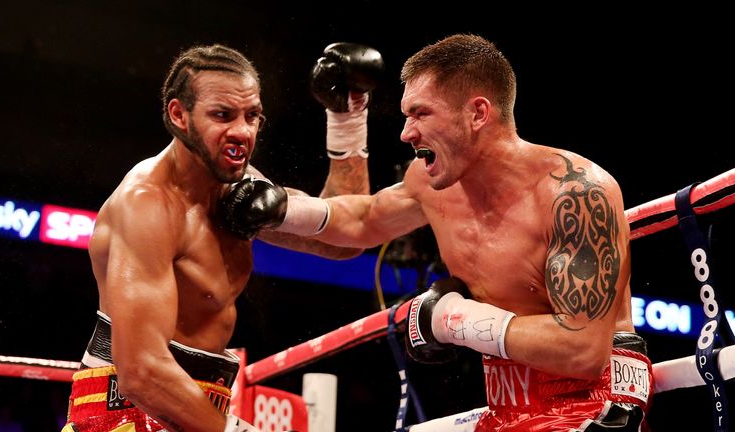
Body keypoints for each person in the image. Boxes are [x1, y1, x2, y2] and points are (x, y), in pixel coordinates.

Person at [223, 34, 654, 431]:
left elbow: (583, 352)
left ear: (478, 114)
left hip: (595, 401)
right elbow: (361, 220)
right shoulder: (429, 183)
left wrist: (453, 321)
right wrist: (281, 208)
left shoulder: (575, 194)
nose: (406, 132)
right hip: (505, 399)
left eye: (420, 114)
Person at [61, 42, 383, 432]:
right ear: (179, 115)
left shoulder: (240, 189)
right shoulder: (147, 205)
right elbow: (141, 372)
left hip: (191, 403)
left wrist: (346, 118)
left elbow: (340, 241)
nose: (242, 131)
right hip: (125, 412)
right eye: (223, 115)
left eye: (252, 116)